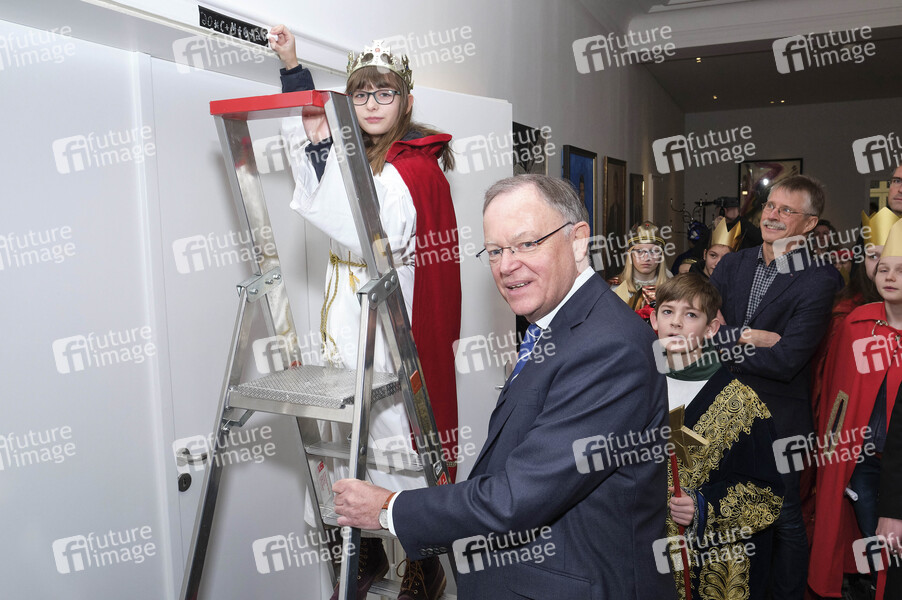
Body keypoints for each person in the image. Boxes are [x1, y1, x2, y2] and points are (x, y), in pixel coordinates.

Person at [332, 174, 676, 600]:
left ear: (577, 240)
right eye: (494, 251)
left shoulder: (608, 346)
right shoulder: (559, 324)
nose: (507, 265)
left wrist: (389, 508)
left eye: (526, 244)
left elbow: (518, 496)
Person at [271, 27, 461, 599]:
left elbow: (364, 228)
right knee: (347, 447)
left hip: (391, 329)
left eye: (385, 93)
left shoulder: (412, 167)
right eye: (360, 94)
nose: (372, 104)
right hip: (347, 326)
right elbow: (318, 175)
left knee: (396, 450)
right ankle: (369, 554)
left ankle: (424, 564)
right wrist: (294, 73)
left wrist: (321, 143)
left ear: (406, 101)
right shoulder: (359, 153)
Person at [707, 174, 842, 600]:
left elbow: (786, 360)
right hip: (720, 411)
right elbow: (703, 330)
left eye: (787, 210)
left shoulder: (820, 279)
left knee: (783, 519)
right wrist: (752, 337)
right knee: (721, 510)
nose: (773, 215)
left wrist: (727, 341)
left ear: (809, 223)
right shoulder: (733, 264)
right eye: (770, 205)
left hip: (779, 421)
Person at [651, 273, 783, 600]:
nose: (676, 323)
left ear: (711, 329)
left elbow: (766, 496)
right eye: (667, 311)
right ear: (654, 320)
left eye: (690, 315)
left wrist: (702, 506)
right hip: (643, 556)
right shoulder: (636, 385)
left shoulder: (742, 404)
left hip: (704, 566)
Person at [809, 217, 902, 600]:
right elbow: (837, 394)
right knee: (876, 544)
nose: (890, 277)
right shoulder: (857, 324)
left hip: (898, 467)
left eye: (900, 270)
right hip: (862, 461)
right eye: (885, 268)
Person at [614, 221, 672, 319]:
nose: (646, 258)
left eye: (653, 251)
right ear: (631, 255)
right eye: (639, 251)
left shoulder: (671, 289)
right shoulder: (614, 287)